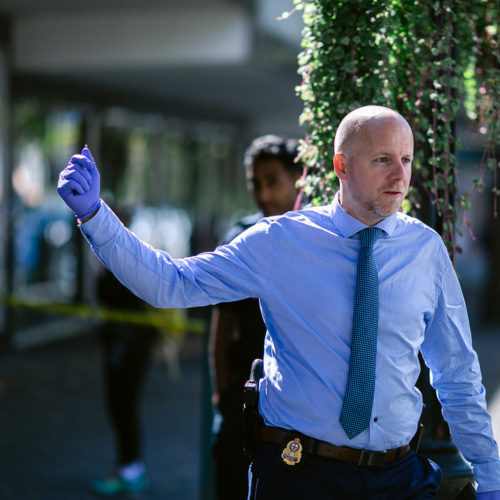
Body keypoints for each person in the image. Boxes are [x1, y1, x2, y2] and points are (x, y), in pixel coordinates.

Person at [57, 106, 500, 498]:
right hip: (301, 475)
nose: (400, 176)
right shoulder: (280, 241)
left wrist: (491, 477)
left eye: (405, 160)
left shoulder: (425, 250)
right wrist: (96, 217)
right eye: (383, 160)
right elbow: (172, 283)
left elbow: (457, 371)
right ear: (341, 165)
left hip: (400, 477)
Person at [209, 135, 302, 500]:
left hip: (293, 403)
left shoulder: (315, 237)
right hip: (244, 395)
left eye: (272, 182)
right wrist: (222, 393)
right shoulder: (240, 236)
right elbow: (222, 326)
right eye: (255, 183)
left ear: (298, 179)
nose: (263, 193)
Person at [89, 205, 158, 497]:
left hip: (130, 343)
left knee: (123, 405)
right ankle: (128, 466)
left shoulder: (124, 254)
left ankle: (130, 468)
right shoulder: (114, 252)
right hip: (123, 341)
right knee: (119, 405)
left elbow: (112, 294)